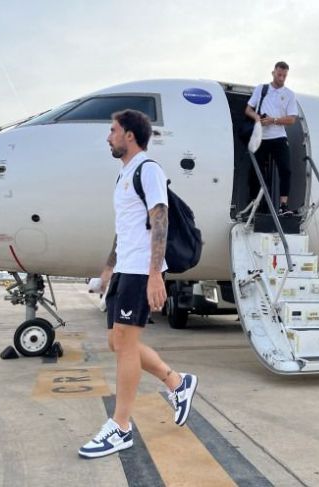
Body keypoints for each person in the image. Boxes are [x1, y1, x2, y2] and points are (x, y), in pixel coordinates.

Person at [79, 109, 198, 459]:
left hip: (140, 272)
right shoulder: (124, 175)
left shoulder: (149, 170)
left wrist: (155, 273)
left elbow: (158, 220)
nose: (109, 136)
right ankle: (177, 382)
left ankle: (121, 426)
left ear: (130, 135)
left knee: (127, 344)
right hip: (124, 270)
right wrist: (108, 268)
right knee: (117, 342)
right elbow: (126, 227)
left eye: (113, 130)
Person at [245, 61, 298, 215]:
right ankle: (254, 205)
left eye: (284, 76)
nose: (281, 78)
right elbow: (248, 109)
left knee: (286, 170)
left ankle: (283, 205)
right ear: (273, 73)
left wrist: (273, 120)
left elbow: (292, 119)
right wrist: (257, 118)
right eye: (279, 74)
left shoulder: (289, 94)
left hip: (278, 137)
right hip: (262, 136)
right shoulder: (262, 89)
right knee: (255, 172)